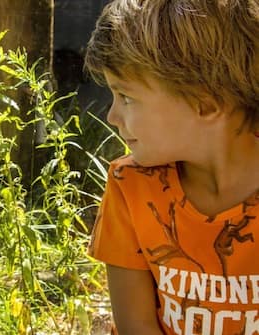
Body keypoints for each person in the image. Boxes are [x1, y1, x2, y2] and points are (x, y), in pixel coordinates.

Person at [84, 0, 259, 334]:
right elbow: (137, 327)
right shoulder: (130, 187)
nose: (112, 116)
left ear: (205, 103)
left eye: (127, 98)